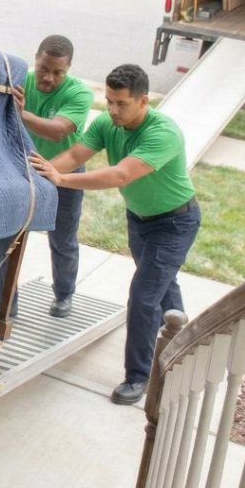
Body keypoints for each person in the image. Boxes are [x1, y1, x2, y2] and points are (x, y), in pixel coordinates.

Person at [28, 64, 199, 406]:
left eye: (121, 103)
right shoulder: (108, 123)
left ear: (143, 101)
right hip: (140, 220)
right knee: (162, 285)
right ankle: (184, 347)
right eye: (109, 101)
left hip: (175, 223)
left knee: (144, 295)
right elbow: (76, 154)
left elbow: (121, 175)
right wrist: (38, 169)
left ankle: (138, 377)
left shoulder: (162, 132)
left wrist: (62, 180)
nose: (113, 110)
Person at [0, 35, 94, 318]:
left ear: (69, 69)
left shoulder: (80, 94)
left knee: (62, 238)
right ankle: (5, 302)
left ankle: (64, 296)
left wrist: (21, 114)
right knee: (4, 235)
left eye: (57, 72)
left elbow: (58, 130)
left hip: (63, 172)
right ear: (36, 58)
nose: (48, 77)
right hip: (20, 169)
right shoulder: (21, 81)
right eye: (44, 68)